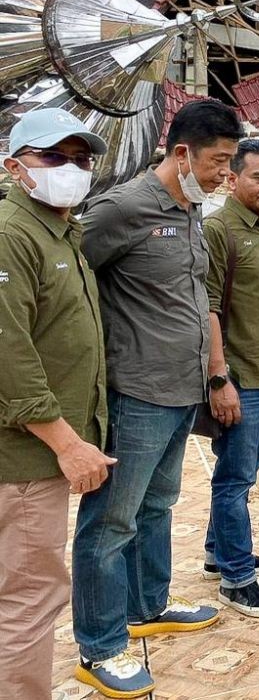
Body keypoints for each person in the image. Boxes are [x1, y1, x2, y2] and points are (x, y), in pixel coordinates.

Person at [72, 99, 244, 697]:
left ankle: (148, 605)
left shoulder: (191, 209)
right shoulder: (122, 208)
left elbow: (193, 298)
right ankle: (100, 645)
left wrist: (215, 374)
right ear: (181, 154)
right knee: (111, 520)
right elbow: (72, 279)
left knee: (159, 505)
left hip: (182, 389)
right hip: (136, 391)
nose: (225, 174)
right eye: (220, 162)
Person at [0, 110, 116, 700]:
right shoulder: (11, 232)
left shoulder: (58, 229)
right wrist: (67, 443)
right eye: (55, 157)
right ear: (15, 166)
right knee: (28, 596)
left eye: (81, 159)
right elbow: (8, 352)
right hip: (22, 455)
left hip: (35, 450)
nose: (71, 169)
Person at [202, 139, 259, 618]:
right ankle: (237, 579)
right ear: (233, 178)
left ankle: (220, 552)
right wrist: (220, 379)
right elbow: (208, 307)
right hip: (240, 378)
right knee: (234, 479)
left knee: (243, 474)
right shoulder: (220, 229)